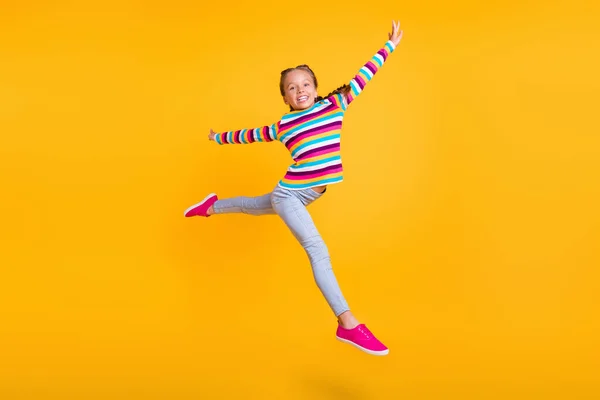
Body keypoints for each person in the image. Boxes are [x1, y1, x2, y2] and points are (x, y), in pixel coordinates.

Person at [185, 21, 403, 356]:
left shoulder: (335, 105)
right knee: (317, 249)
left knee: (252, 204)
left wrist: (388, 46)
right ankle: (347, 323)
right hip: (290, 194)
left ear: (316, 89)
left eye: (305, 84)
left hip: (300, 195)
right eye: (291, 87)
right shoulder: (284, 125)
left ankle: (212, 206)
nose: (299, 89)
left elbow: (365, 74)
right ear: (284, 97)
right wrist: (218, 137)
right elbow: (248, 135)